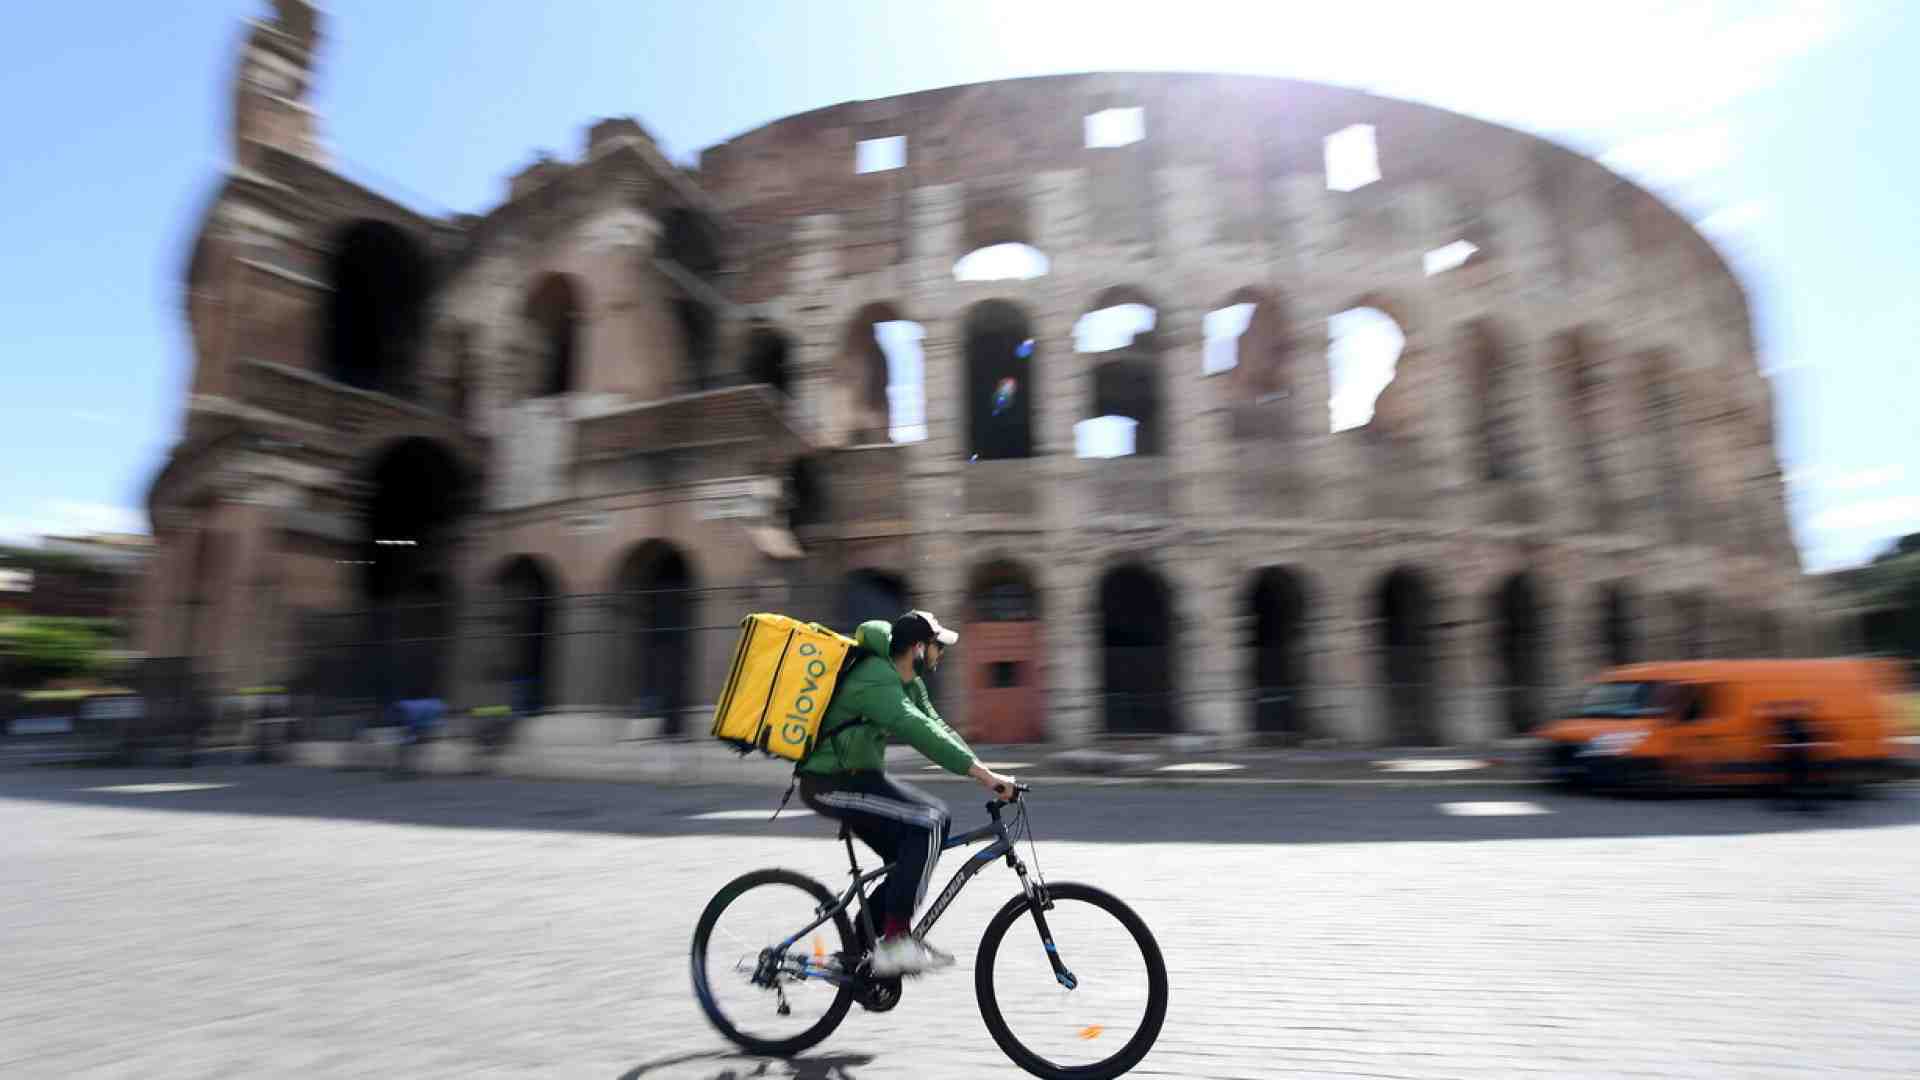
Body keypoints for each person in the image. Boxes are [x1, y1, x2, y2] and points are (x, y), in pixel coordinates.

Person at [797, 610, 1018, 977]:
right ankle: (897, 942)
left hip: (862, 779)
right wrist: (983, 777)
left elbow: (937, 726)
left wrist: (985, 771)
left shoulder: (909, 682)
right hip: (829, 782)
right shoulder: (876, 678)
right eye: (936, 646)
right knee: (928, 823)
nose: (940, 654)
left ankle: (859, 950)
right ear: (917, 648)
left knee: (918, 844)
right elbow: (914, 729)